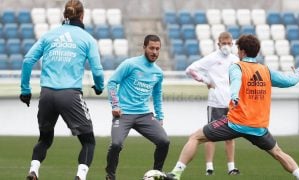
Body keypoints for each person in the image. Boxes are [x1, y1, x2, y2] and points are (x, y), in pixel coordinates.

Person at [165, 34, 299, 180]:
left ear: (242, 51)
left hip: (236, 123)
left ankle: (176, 173)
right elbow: (290, 81)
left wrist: (234, 95)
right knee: (278, 153)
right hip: (258, 127)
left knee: (195, 137)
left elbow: (236, 81)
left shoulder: (237, 66)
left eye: (238, 48)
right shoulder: (266, 71)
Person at [20, 1, 105, 179]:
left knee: (44, 139)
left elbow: (28, 60)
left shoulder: (49, 35)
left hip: (46, 95)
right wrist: (98, 86)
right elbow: (97, 70)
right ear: (82, 16)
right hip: (70, 95)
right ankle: (80, 177)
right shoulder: (87, 39)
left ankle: (34, 170)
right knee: (88, 142)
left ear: (64, 15)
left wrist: (25, 90)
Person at [105, 34, 170, 180]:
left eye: (157, 49)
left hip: (144, 115)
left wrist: (160, 117)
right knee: (116, 144)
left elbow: (157, 95)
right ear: (144, 48)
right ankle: (110, 175)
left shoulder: (158, 73)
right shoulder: (130, 64)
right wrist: (115, 105)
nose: (154, 52)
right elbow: (112, 83)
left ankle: (156, 174)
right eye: (152, 48)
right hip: (123, 114)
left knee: (164, 141)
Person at [185, 32, 240, 175]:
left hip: (231, 104)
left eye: (229, 43)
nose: (226, 46)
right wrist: (206, 81)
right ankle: (209, 168)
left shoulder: (236, 60)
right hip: (215, 102)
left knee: (230, 136)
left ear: (232, 44)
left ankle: (231, 168)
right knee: (210, 135)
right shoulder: (211, 58)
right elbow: (190, 70)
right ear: (218, 44)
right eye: (224, 43)